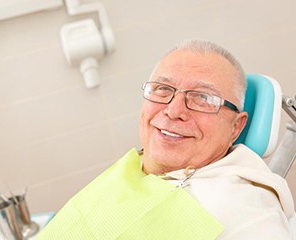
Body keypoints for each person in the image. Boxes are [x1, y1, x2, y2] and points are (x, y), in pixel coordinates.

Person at [37, 39, 295, 239]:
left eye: (203, 98)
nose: (173, 111)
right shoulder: (138, 165)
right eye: (163, 89)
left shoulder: (242, 212)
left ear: (236, 127)